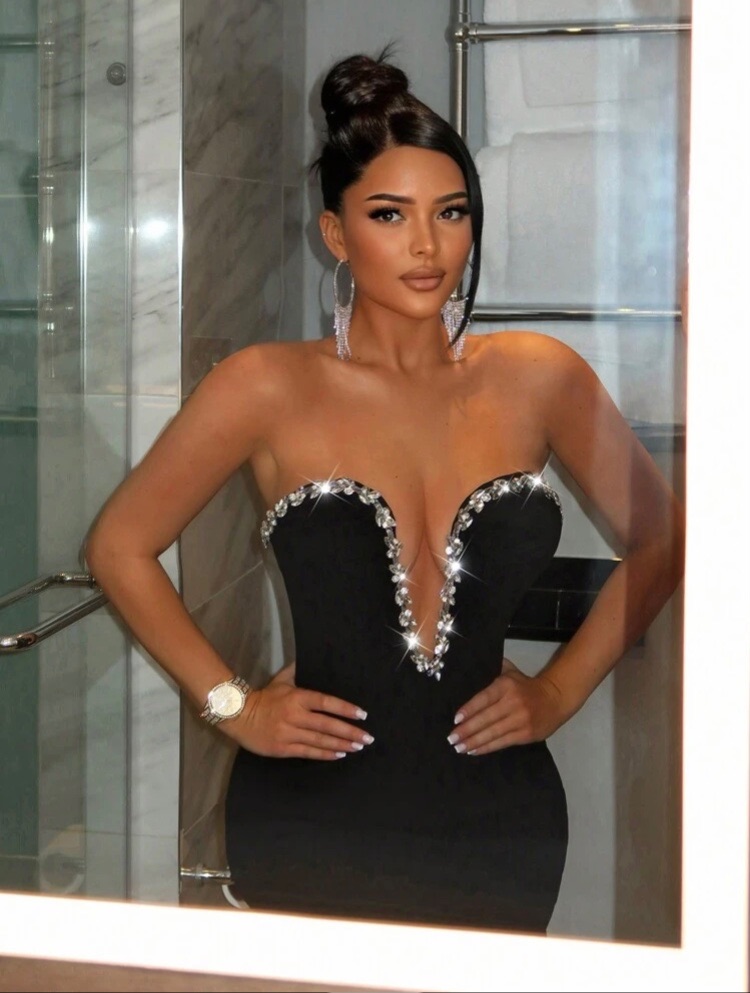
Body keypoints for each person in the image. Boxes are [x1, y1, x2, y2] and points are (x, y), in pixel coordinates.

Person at [84, 51, 684, 933]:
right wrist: (234, 707)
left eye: (451, 212)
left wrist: (559, 692)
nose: (427, 245)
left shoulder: (539, 377)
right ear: (336, 234)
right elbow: (118, 546)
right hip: (309, 813)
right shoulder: (266, 386)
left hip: (498, 817)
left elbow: (665, 537)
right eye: (389, 214)